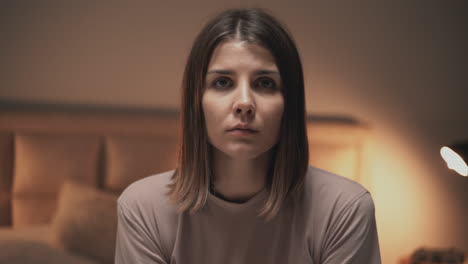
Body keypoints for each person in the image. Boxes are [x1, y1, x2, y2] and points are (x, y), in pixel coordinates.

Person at [115, 7, 381, 264]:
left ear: (290, 103)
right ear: (197, 101)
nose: (244, 102)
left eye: (265, 83)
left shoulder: (344, 210)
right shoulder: (143, 209)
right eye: (222, 82)